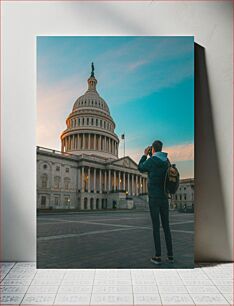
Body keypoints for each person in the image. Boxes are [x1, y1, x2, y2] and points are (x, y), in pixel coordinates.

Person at [138, 140, 174, 265]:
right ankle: (170, 255)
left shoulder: (152, 161)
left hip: (154, 198)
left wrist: (144, 154)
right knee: (166, 227)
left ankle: (158, 256)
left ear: (152, 149)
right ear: (161, 148)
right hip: (164, 198)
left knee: (156, 228)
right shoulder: (167, 161)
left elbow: (141, 167)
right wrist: (151, 155)